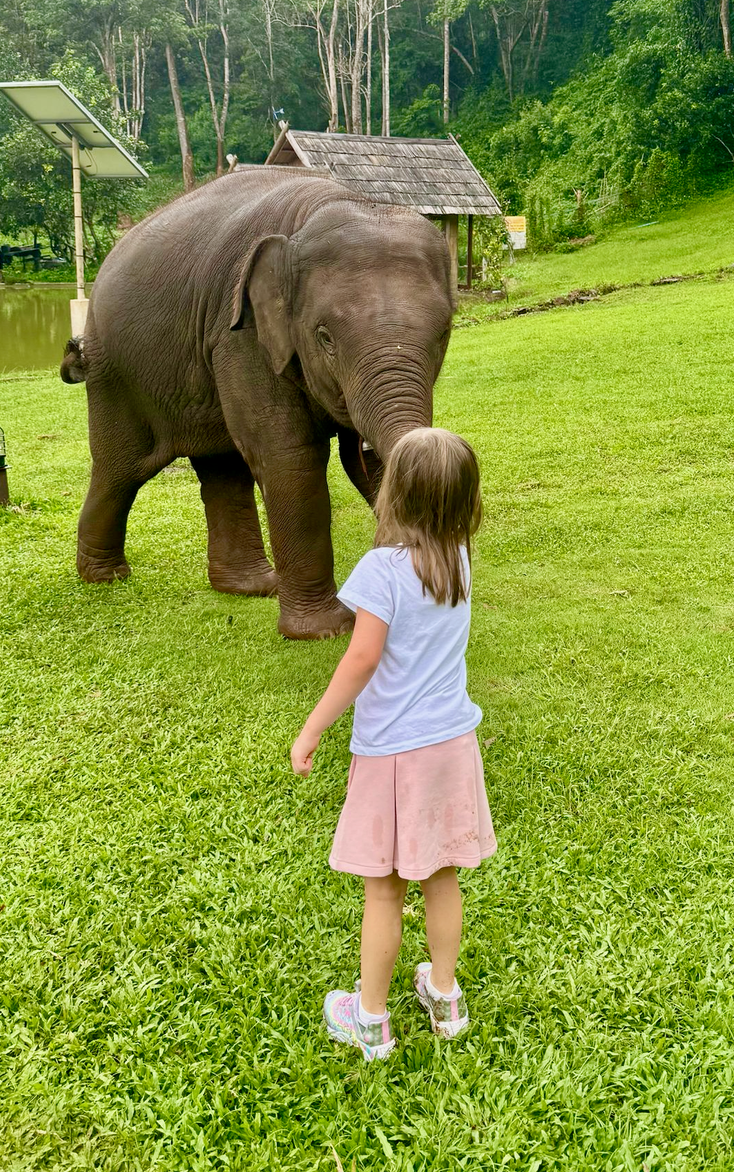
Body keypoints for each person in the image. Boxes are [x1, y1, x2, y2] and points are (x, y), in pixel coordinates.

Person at [290, 426, 496, 1061]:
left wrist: (314, 725)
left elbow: (361, 656)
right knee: (441, 875)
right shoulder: (457, 558)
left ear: (394, 495)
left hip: (392, 751)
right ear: (465, 501)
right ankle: (444, 996)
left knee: (383, 888)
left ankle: (371, 1020)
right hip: (452, 745)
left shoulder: (381, 571)